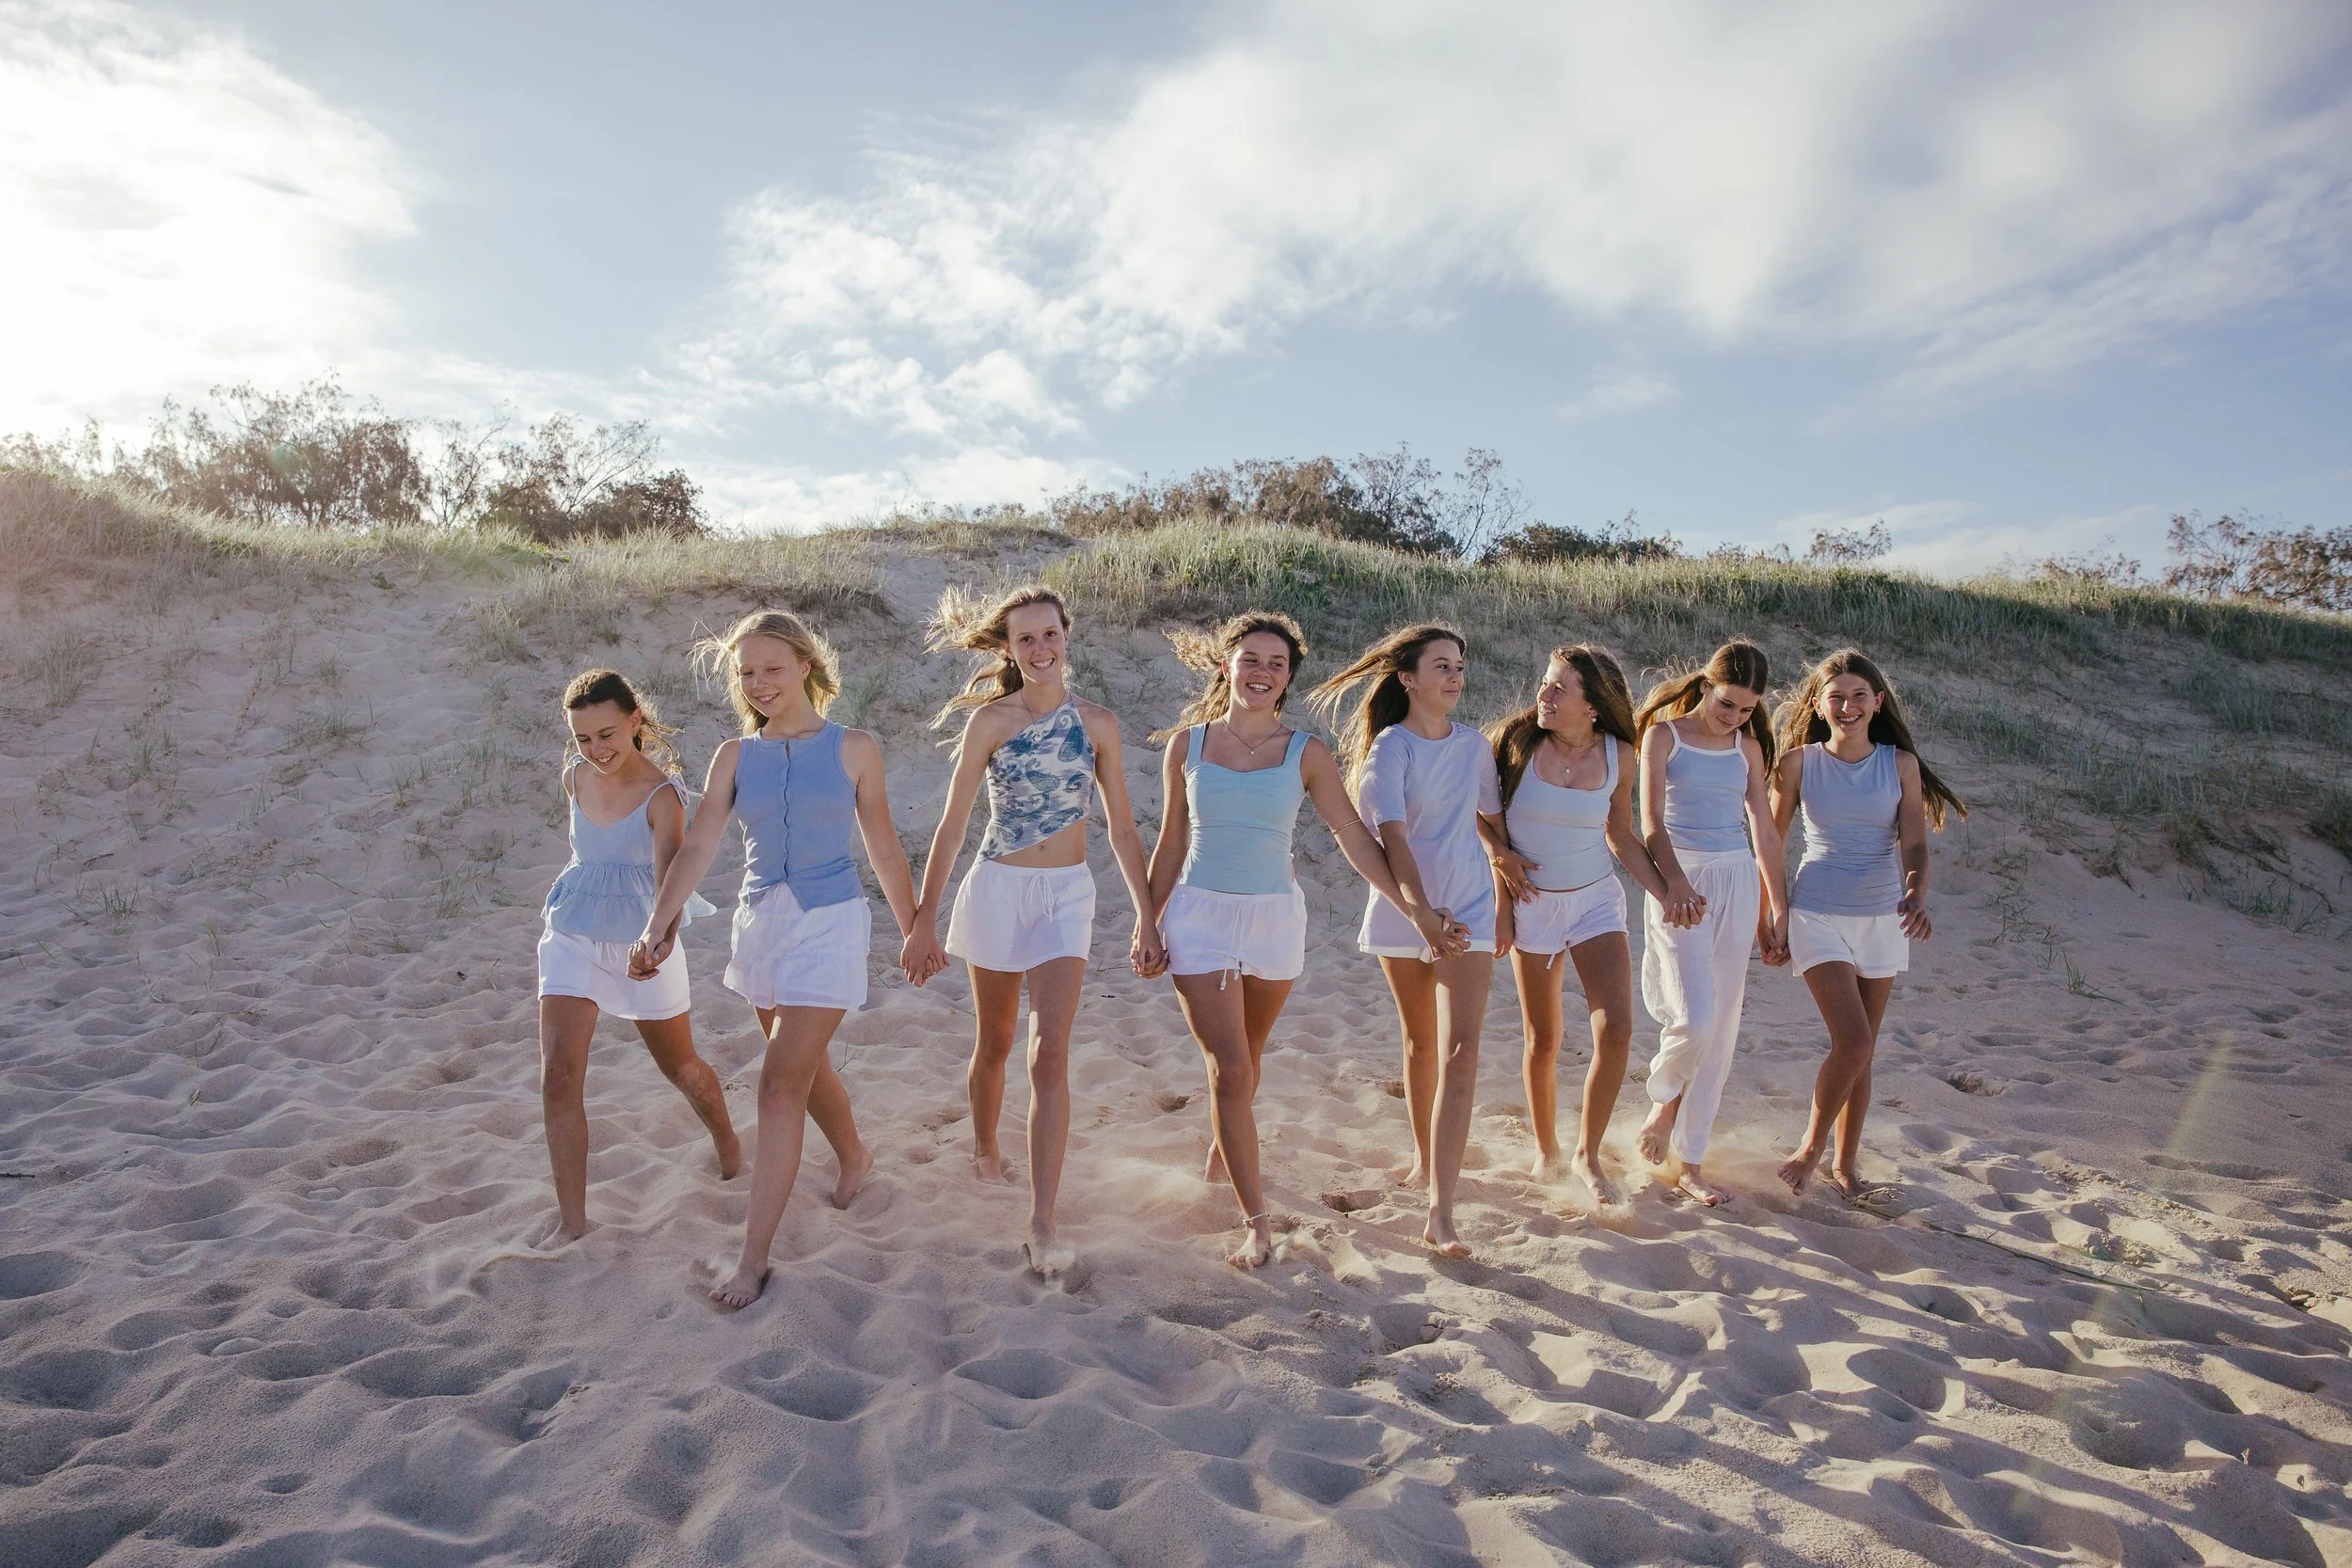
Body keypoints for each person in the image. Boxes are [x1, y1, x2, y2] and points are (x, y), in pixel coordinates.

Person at [1147, 612, 1467, 1267]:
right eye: (1250, 658)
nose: (1261, 671)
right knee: (1230, 1068)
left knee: (1250, 1056)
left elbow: (1354, 837)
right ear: (1226, 665)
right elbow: (1171, 841)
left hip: (1273, 918)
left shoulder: (1306, 752)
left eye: (1275, 663)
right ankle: (1257, 1224)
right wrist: (1146, 920)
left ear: (1288, 676)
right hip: (1199, 916)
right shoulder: (1188, 746)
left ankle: (1221, 1149)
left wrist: (1417, 911)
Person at [632, 611, 921, 1309]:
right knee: (801, 1061)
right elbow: (699, 846)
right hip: (761, 922)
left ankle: (752, 1258)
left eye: (771, 667)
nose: (758, 682)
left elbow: (882, 845)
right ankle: (854, 1154)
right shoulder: (735, 756)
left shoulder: (854, 747)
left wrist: (916, 927)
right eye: (746, 672)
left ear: (805, 664)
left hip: (830, 922)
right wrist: (659, 922)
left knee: (777, 1085)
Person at [899, 585, 1165, 1276]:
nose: (1040, 648)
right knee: (995, 1042)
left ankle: (1042, 1220)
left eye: (1050, 634)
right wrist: (924, 916)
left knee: (1050, 1051)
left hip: (1065, 896)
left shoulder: (1098, 723)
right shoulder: (991, 721)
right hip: (997, 889)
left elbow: (1124, 827)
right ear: (1010, 648)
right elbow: (955, 822)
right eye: (1026, 639)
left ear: (1067, 635)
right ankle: (986, 1147)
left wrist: (1145, 911)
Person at [1309, 623, 1496, 1258]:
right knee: (1419, 1043)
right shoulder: (1390, 749)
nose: (1454, 676)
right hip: (1403, 909)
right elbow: (1392, 836)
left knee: (1460, 1050)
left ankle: (1442, 1209)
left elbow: (1488, 820)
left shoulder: (1475, 746)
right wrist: (1419, 912)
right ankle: (1421, 1161)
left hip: (1469, 909)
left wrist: (1506, 861)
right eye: (1441, 665)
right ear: (1407, 678)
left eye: (1459, 665)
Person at [536, 670, 739, 1248]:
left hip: (639, 938)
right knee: (559, 1074)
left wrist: (657, 940)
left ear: (635, 722)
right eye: (583, 739)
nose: (596, 751)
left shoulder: (662, 795)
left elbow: (668, 879)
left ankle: (727, 1140)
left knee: (681, 1068)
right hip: (572, 930)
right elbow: (588, 856)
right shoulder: (574, 777)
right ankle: (572, 1222)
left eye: (607, 734)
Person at [1769, 648, 1965, 1197]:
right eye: (1836, 696)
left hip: (1884, 916)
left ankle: (1846, 1166)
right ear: (1819, 703)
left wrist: (1914, 894)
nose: (1848, 706)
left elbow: (1916, 843)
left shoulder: (1899, 764)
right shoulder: (1799, 764)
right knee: (1852, 1042)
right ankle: (1811, 1148)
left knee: (1863, 1049)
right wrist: (1775, 913)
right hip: (1818, 910)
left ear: (1878, 702)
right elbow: (1771, 843)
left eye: (1859, 695)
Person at [1483, 644, 1672, 1206]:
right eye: (1545, 682)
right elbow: (1483, 820)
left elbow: (1620, 832)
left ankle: (1587, 1154)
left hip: (1595, 901)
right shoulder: (1516, 744)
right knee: (1544, 1038)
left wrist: (1665, 892)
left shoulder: (1619, 754)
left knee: (1615, 1029)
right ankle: (1547, 1149)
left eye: (1559, 687)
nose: (1544, 693)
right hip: (1533, 905)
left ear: (1593, 705)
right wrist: (1499, 871)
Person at [1630, 639, 1789, 1207]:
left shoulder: (1747, 749)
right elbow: (1649, 823)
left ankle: (1691, 1162)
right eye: (1727, 704)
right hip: (1682, 879)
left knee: (1721, 1029)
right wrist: (1674, 882)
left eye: (1746, 709)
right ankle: (1663, 1104)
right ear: (1704, 687)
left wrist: (1777, 911)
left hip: (1738, 880)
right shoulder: (1664, 737)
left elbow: (1764, 832)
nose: (1735, 717)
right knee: (1693, 1017)